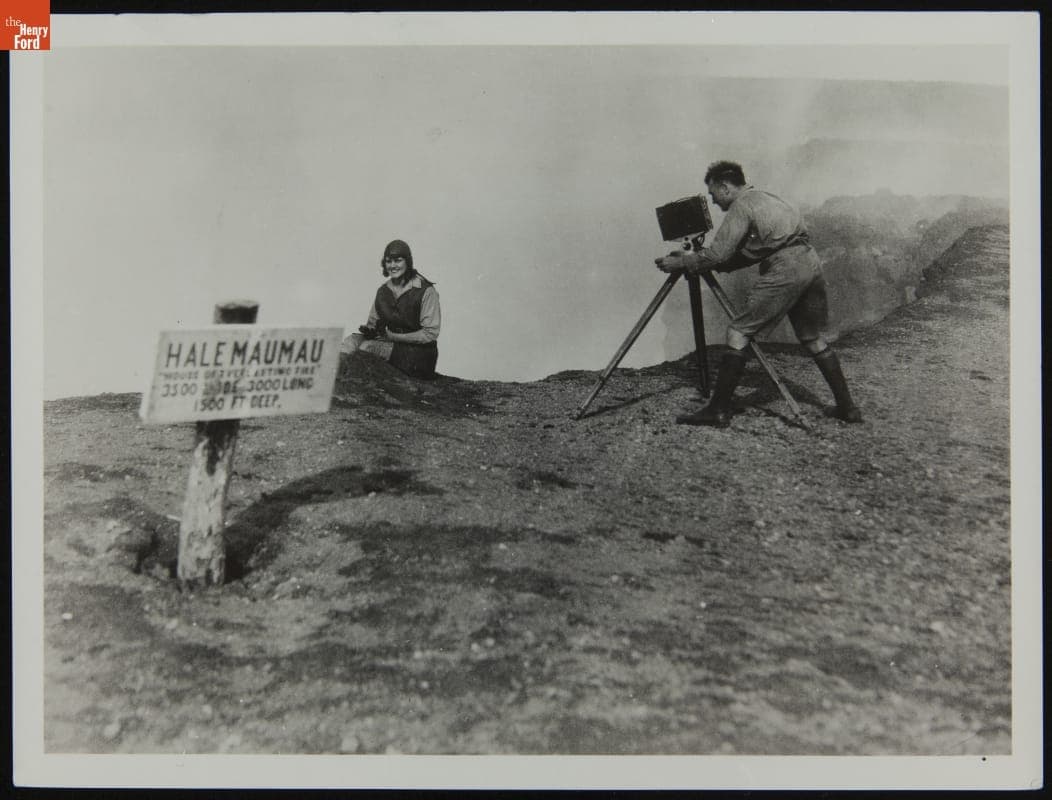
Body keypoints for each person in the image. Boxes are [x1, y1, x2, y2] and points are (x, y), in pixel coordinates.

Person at [655, 160, 862, 426]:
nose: (714, 202)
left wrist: (683, 261)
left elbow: (718, 254)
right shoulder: (768, 198)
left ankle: (717, 410)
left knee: (738, 331)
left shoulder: (742, 206)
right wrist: (706, 261)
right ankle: (848, 407)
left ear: (725, 186)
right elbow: (752, 252)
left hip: (786, 268)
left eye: (713, 193)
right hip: (809, 262)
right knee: (811, 336)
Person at [341, 239, 441, 379]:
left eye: (398, 260)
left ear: (408, 262)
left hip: (419, 355)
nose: (393, 266)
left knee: (367, 348)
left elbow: (429, 334)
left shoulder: (426, 291)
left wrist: (394, 337)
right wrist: (370, 330)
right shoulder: (383, 291)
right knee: (349, 342)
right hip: (390, 343)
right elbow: (373, 323)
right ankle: (337, 381)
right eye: (388, 261)